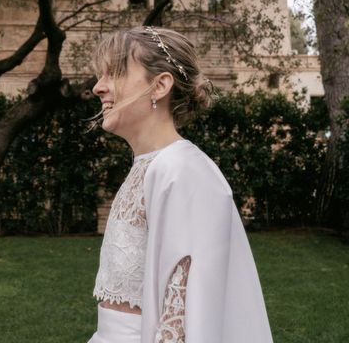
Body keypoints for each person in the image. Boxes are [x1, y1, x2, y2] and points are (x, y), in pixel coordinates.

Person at [88, 27, 273, 343]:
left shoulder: (183, 171)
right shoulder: (148, 166)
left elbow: (185, 317)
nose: (97, 88)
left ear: (159, 85)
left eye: (114, 73)